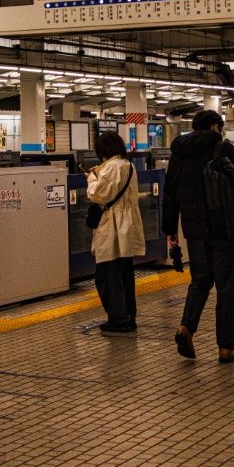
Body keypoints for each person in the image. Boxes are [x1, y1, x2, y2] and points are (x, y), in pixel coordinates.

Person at [163, 110, 234, 364]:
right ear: (215, 126)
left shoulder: (178, 154)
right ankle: (225, 348)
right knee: (227, 287)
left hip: (193, 229)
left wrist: (170, 230)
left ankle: (186, 328)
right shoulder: (222, 148)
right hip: (223, 227)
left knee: (200, 281)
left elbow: (169, 194)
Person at [86, 131, 144, 334]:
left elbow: (97, 194)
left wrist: (91, 179)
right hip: (127, 225)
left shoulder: (111, 167)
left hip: (112, 225)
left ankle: (118, 319)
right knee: (125, 274)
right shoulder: (129, 165)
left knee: (107, 275)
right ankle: (130, 317)